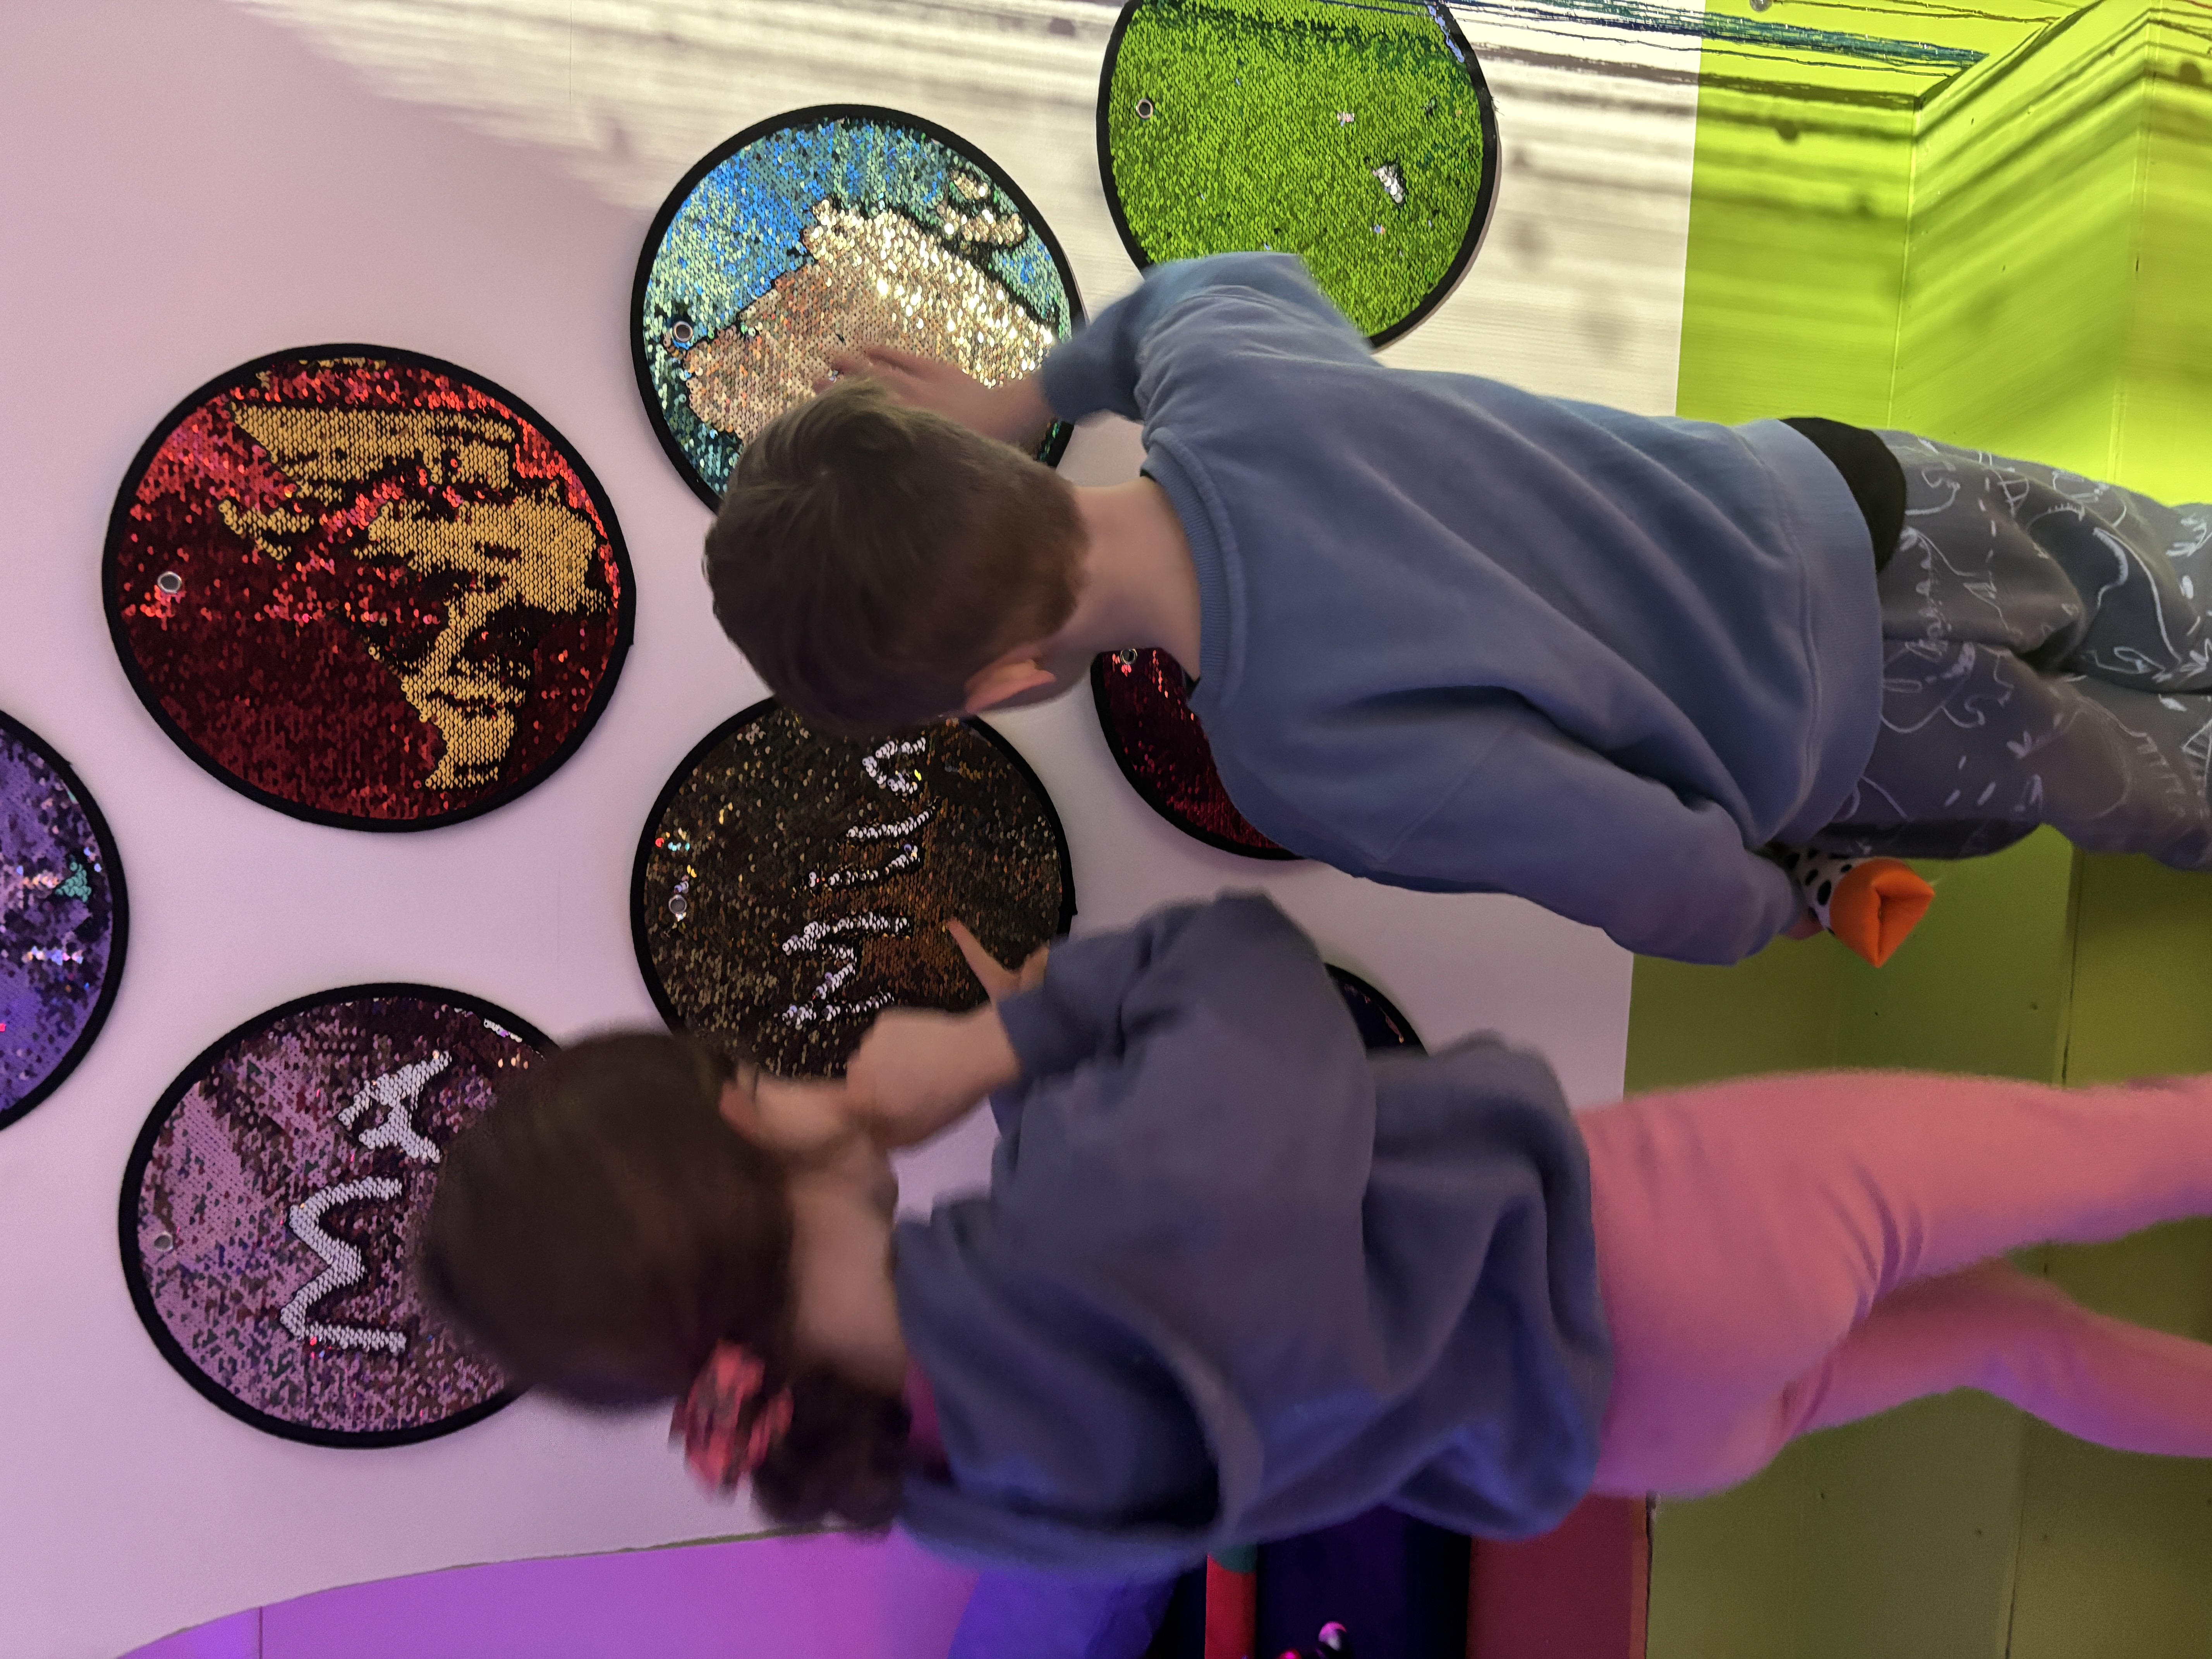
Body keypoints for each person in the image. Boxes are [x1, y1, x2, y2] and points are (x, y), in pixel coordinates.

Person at [421, 893, 2212, 1571]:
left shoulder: (953, 1471)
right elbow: (1247, 971)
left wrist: (1044, 1087)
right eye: (751, 1073)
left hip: (1638, 1433)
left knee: (2014, 1342)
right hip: (1676, 1247)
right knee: (2115, 1148)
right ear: (744, 1129)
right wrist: (997, 1045)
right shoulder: (1098, 1211)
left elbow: (1195, 1322)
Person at [702, 251, 2212, 964]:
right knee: (2167, 568)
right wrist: (1022, 391)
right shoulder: (1230, 375)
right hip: (1852, 497)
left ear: (1004, 680)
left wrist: (1789, 906)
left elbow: (1656, 877)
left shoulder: (1305, 758)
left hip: (1869, 737)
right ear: (994, 468)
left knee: (2158, 777)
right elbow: (1187, 299)